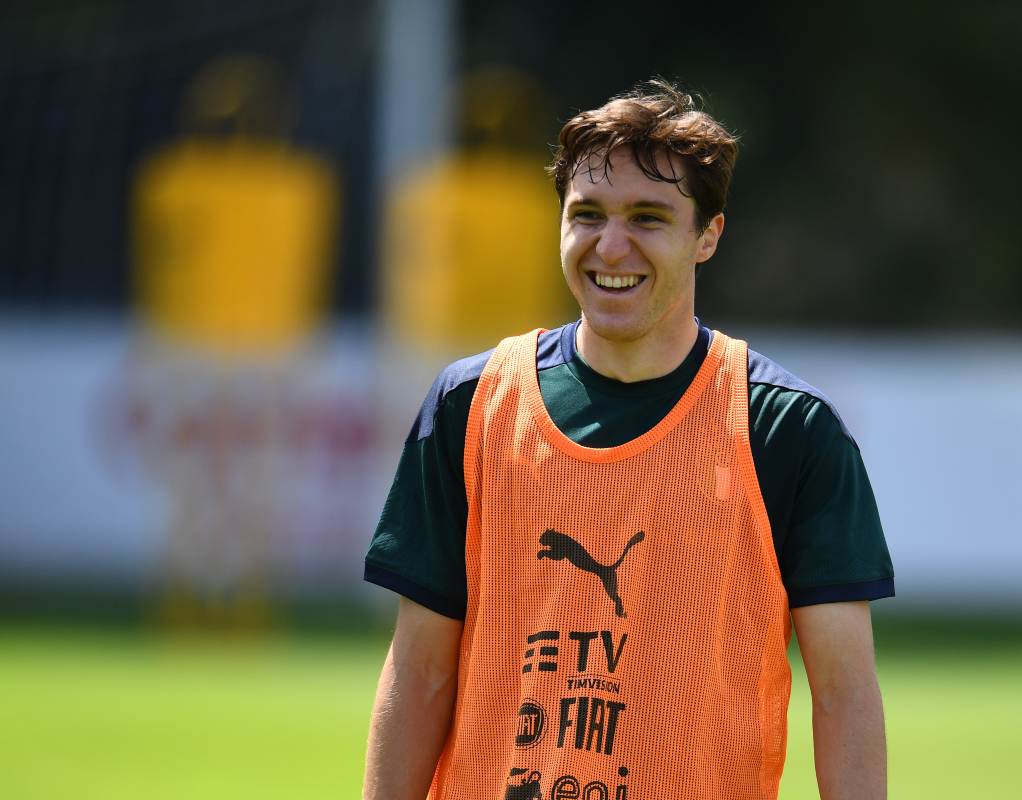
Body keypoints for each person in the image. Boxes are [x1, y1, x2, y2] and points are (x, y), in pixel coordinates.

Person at [363, 79, 894, 800]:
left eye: (648, 217)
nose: (611, 246)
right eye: (587, 215)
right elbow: (420, 670)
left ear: (707, 236)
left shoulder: (786, 429)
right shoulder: (471, 405)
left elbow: (843, 693)